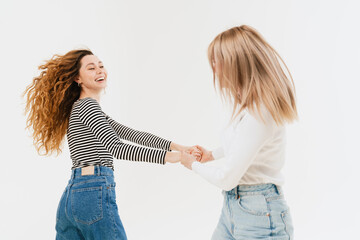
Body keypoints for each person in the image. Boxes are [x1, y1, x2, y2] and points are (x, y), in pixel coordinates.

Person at [23, 49, 199, 240]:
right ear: (77, 78)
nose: (99, 71)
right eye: (91, 68)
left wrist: (179, 147)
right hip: (92, 192)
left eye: (101, 66)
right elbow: (117, 148)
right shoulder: (87, 106)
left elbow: (131, 134)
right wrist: (177, 158)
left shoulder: (84, 108)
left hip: (72, 196)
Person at [181, 25, 297, 239]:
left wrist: (193, 165)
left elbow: (227, 178)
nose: (213, 69)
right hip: (235, 207)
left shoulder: (260, 113)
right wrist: (212, 155)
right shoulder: (249, 106)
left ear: (236, 63)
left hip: (260, 214)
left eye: (217, 61)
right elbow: (244, 144)